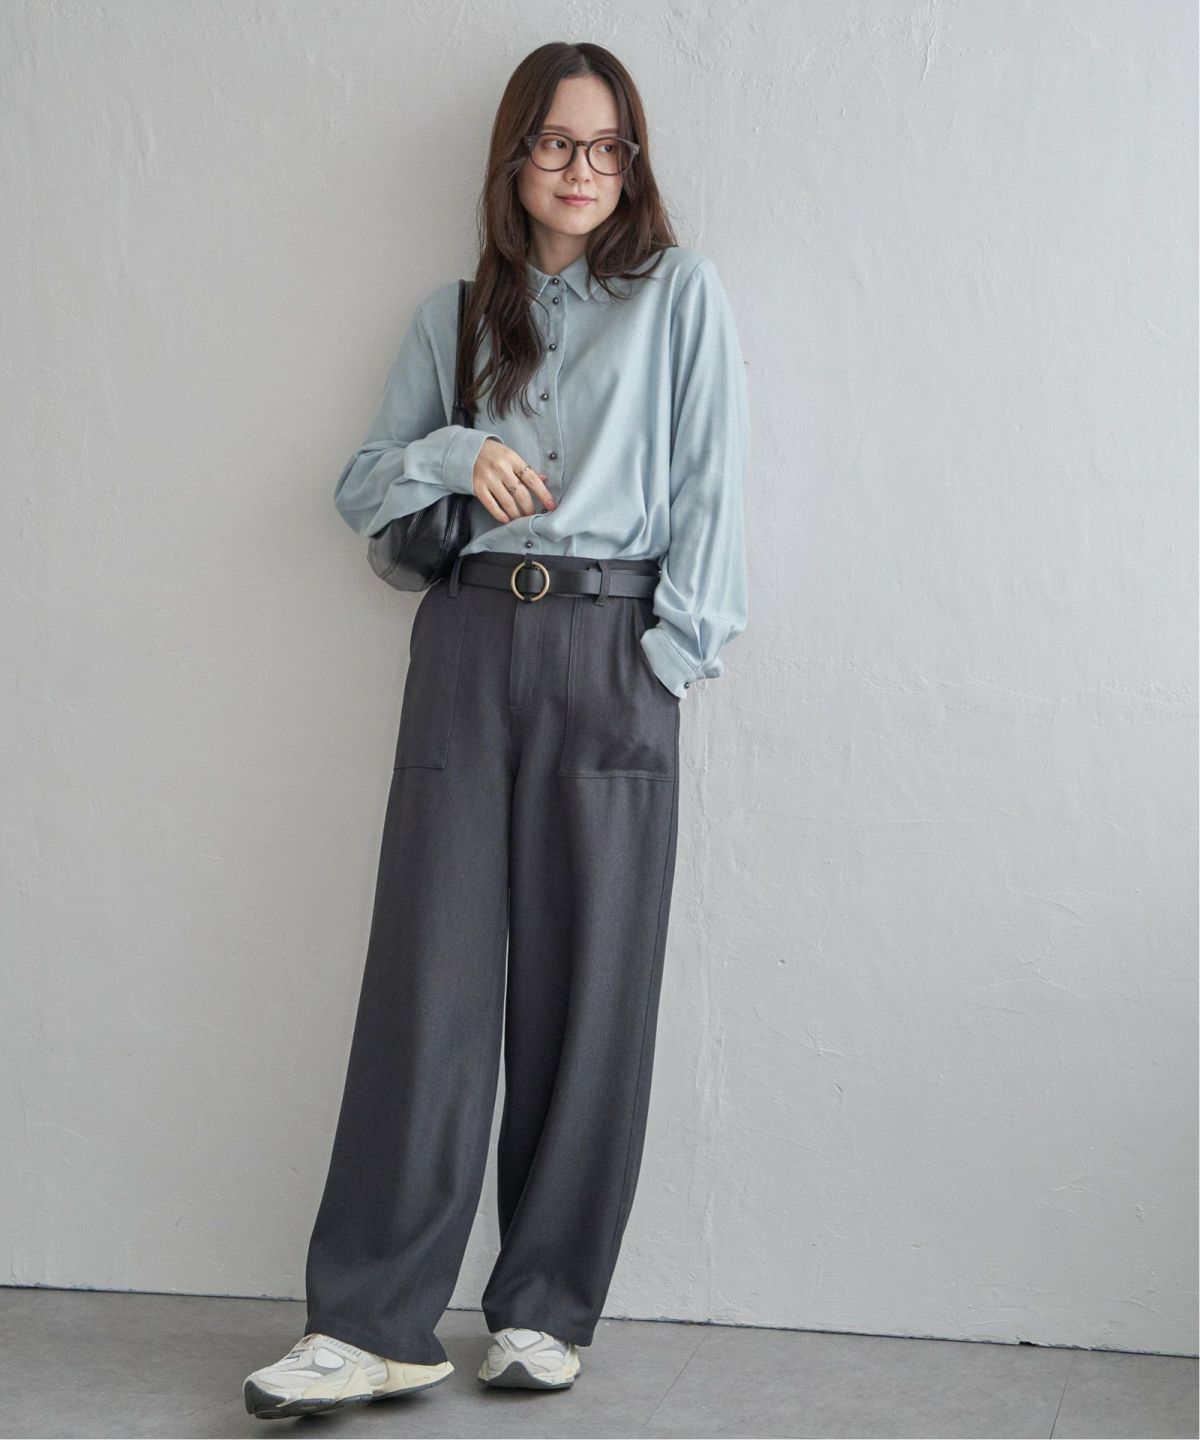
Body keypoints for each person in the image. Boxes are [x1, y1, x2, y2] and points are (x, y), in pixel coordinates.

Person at [242, 38, 748, 1421]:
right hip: (467, 643)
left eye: (607, 146)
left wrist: (672, 657)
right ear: (514, 156)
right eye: (556, 143)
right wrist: (457, 452)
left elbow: (713, 484)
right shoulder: (456, 313)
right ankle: (371, 1322)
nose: (583, 170)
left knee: (593, 991)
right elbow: (362, 488)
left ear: (631, 163)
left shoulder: (680, 296)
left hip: (616, 648)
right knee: (429, 983)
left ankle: (540, 1308)